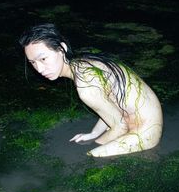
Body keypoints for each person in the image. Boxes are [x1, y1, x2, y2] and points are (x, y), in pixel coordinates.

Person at [19, 23, 163, 157]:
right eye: (33, 63)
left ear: (62, 49)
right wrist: (93, 133)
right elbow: (110, 106)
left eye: (43, 59)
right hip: (139, 118)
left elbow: (120, 126)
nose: (39, 69)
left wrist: (93, 145)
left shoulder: (86, 88)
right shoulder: (82, 64)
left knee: (90, 157)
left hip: (145, 131)